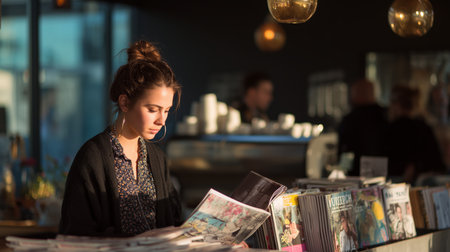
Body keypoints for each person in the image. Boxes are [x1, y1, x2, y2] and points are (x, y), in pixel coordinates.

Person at [59, 40, 183, 236]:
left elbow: (175, 224)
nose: (161, 120)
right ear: (124, 102)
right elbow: (76, 232)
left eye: (166, 110)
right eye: (153, 110)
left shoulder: (157, 158)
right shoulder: (93, 158)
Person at [384, 85, 446, 184]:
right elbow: (437, 163)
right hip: (424, 183)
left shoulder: (392, 128)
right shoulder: (424, 127)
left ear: (396, 105)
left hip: (397, 185)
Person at [337, 79, 388, 176]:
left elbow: (345, 150)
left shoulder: (350, 120)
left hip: (356, 174)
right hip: (388, 173)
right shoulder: (387, 116)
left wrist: (344, 169)